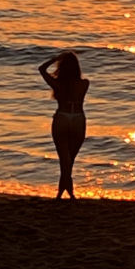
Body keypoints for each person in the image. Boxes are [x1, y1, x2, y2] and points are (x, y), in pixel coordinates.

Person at [38, 51, 89, 199]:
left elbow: (41, 69)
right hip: (78, 118)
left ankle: (63, 191)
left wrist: (55, 59)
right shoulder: (84, 84)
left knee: (64, 159)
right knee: (69, 159)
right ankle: (67, 191)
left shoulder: (58, 84)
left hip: (62, 117)